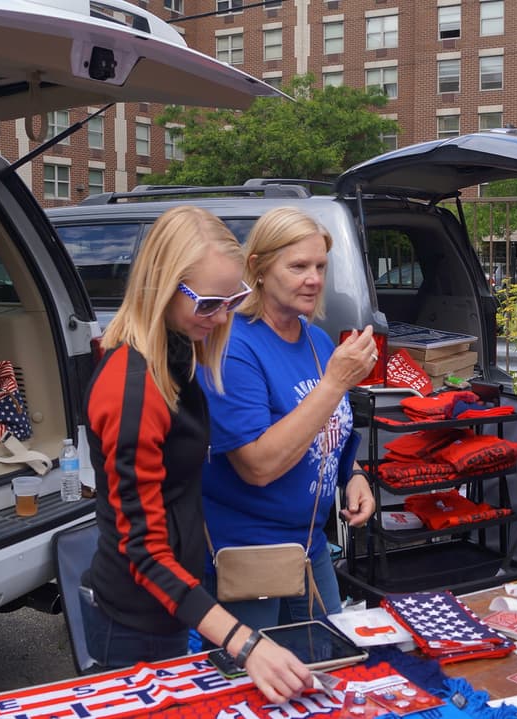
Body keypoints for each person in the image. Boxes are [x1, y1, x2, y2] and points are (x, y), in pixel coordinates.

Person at [81, 206, 310, 703]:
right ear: (162, 287)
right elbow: (141, 548)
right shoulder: (133, 386)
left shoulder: (178, 353)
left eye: (233, 299)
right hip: (133, 619)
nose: (223, 316)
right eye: (208, 303)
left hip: (173, 604)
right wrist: (245, 643)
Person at [200, 206, 378, 630]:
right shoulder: (234, 345)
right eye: (298, 266)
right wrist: (335, 382)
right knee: (255, 683)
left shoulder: (315, 339)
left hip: (310, 545)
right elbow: (258, 466)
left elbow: (327, 430)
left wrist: (352, 475)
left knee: (329, 664)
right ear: (258, 268)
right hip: (250, 552)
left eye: (320, 265)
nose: (314, 279)